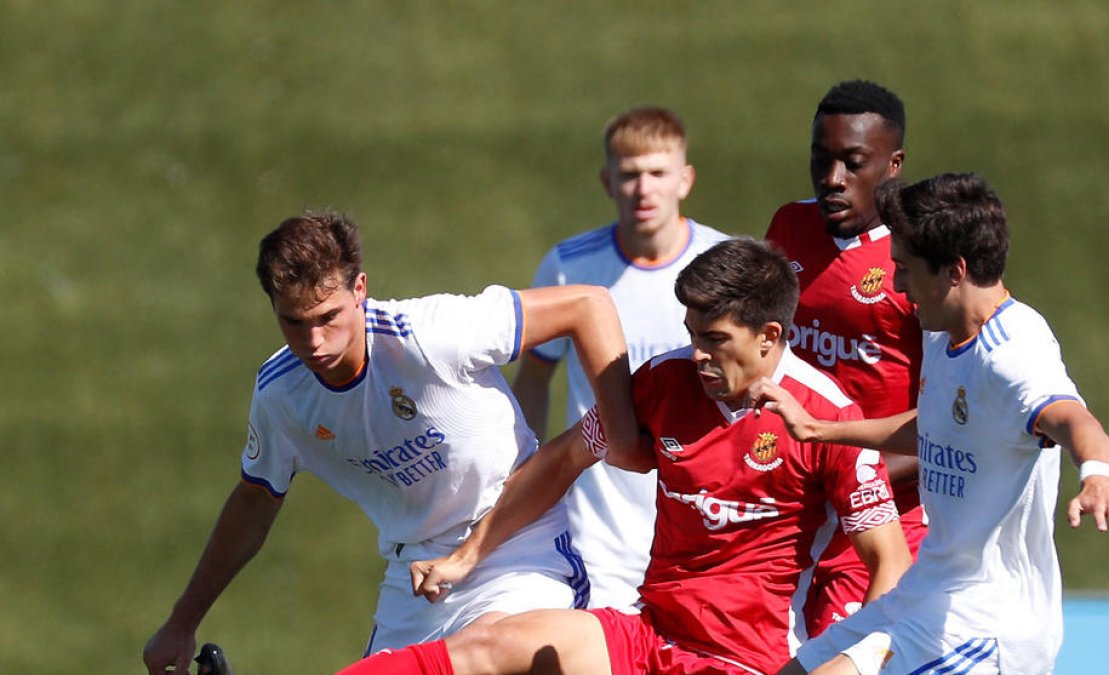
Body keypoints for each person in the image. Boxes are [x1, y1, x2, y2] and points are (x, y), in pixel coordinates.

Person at [339, 238, 913, 675]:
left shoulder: (829, 419)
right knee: (490, 644)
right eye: (691, 334)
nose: (697, 356)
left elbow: (889, 561)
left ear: (767, 335)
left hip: (745, 661)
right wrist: (468, 556)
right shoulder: (664, 384)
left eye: (714, 340)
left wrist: (853, 664)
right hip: (648, 636)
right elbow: (564, 458)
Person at [141, 210, 639, 674]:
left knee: (491, 651)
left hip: (517, 543)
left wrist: (624, 439)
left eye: (328, 317)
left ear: (360, 289)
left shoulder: (431, 334)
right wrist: (182, 622)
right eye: (293, 322)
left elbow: (586, 304)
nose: (314, 342)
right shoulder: (281, 396)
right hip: (415, 575)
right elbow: (253, 502)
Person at [758, 174, 1109, 674]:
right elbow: (935, 427)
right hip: (927, 593)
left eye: (905, 270)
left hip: (987, 622)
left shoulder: (1012, 354)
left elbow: (1071, 417)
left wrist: (1097, 473)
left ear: (954, 271)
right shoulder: (945, 332)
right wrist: (820, 430)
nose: (899, 287)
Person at [511, 105, 728, 609]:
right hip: (599, 539)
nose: (644, 189)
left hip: (704, 527)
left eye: (657, 173)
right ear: (608, 181)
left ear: (685, 179)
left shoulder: (727, 264)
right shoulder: (569, 267)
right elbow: (535, 375)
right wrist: (520, 470)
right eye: (630, 175)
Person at [764, 79, 926, 639]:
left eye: (853, 163)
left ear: (893, 163)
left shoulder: (921, 261)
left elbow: (949, 427)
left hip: (888, 520)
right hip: (793, 505)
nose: (832, 180)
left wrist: (849, 481)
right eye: (820, 160)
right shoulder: (788, 228)